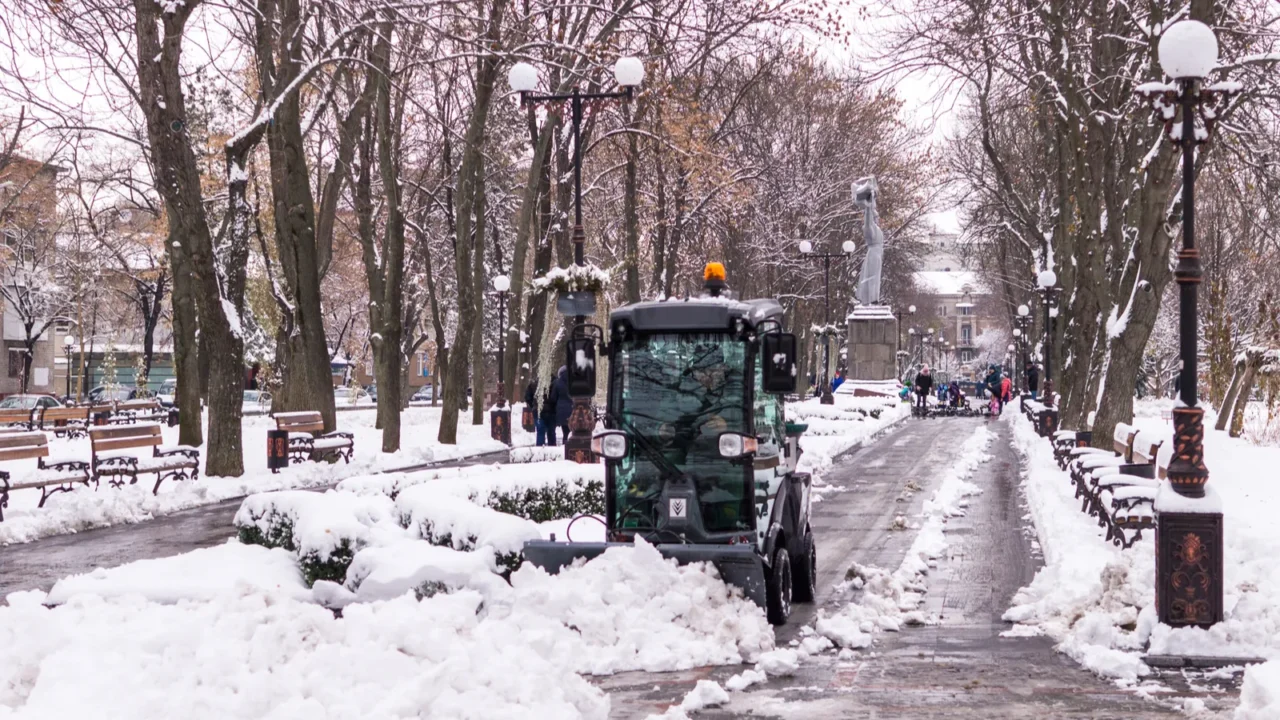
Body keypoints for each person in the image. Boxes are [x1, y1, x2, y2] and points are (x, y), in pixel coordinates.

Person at [551, 365, 573, 441]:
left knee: (565, 432)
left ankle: (565, 445)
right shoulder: (574, 381)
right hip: (573, 409)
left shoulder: (557, 382)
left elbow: (553, 398)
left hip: (561, 411)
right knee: (573, 431)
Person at [536, 379, 557, 446]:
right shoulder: (555, 384)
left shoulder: (535, 383)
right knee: (551, 431)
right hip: (551, 411)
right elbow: (555, 398)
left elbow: (529, 396)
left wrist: (534, 406)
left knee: (540, 431)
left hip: (540, 411)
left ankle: (539, 448)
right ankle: (552, 447)